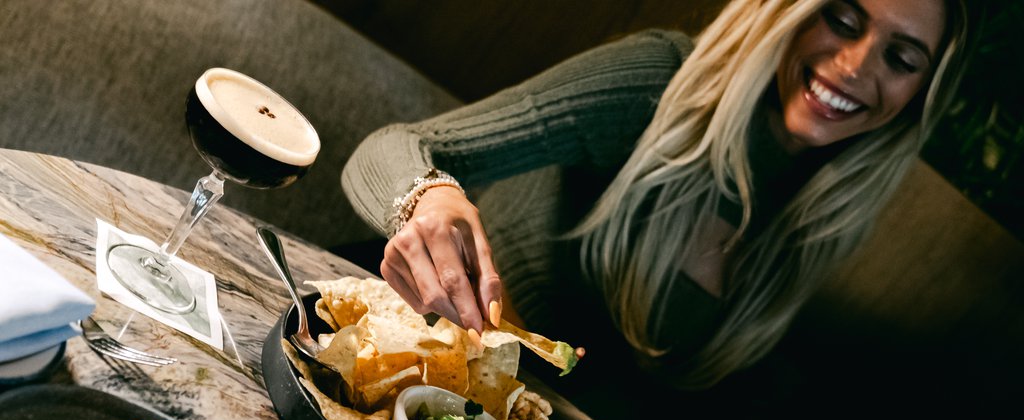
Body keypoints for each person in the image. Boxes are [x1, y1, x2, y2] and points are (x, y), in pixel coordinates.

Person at [340, 0, 973, 391]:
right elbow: (393, 148)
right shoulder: (659, 81)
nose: (859, 65)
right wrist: (425, 200)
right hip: (387, 363)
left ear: (919, 94)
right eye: (841, 18)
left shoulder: (821, 216)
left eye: (902, 57)